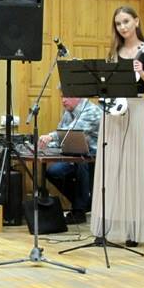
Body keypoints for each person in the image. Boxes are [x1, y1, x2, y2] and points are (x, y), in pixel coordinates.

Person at [90, 5, 144, 247]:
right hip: (113, 112)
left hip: (137, 109)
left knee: (134, 167)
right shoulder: (113, 53)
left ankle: (134, 230)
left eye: (126, 21)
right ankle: (105, 228)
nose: (122, 27)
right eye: (118, 23)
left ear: (136, 21)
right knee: (110, 167)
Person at [39, 95, 102, 224]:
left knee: (81, 164)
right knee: (53, 172)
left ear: (78, 96)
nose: (63, 100)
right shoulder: (68, 112)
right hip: (76, 155)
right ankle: (85, 203)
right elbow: (62, 138)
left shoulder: (92, 111)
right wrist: (45, 145)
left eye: (67, 96)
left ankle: (79, 211)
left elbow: (72, 131)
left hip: (96, 158)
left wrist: (50, 137)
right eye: (62, 96)